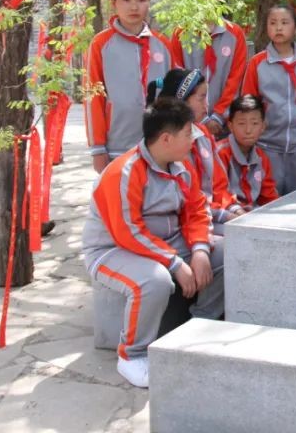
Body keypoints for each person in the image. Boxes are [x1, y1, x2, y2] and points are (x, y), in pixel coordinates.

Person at [82, 98, 225, 389]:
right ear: (166, 138)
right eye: (188, 133)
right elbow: (127, 232)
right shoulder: (123, 172)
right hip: (113, 250)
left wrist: (199, 250)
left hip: (165, 244)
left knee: (227, 253)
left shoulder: (181, 166)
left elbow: (197, 210)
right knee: (155, 281)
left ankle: (198, 325)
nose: (193, 139)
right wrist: (175, 263)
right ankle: (131, 355)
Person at [85, 0, 179, 172]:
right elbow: (93, 96)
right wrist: (97, 148)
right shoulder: (101, 44)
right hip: (117, 146)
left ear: (149, 2)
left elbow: (174, 97)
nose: (134, 7)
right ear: (114, 3)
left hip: (158, 146)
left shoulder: (162, 44)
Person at [241, 3, 296, 196]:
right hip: (266, 144)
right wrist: (250, 136)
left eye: (284, 23)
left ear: (295, 28)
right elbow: (248, 103)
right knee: (269, 196)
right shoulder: (257, 63)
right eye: (273, 23)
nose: (278, 28)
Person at [146, 68, 234, 234]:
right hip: (188, 222)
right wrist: (223, 214)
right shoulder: (170, 144)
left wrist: (233, 207)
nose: (207, 105)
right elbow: (186, 200)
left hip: (210, 212)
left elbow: (219, 184)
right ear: (182, 102)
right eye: (201, 98)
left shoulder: (204, 133)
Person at [168, 0, 249, 137]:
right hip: (190, 125)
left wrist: (219, 116)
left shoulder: (235, 35)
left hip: (227, 124)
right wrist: (201, 117)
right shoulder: (180, 34)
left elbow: (235, 80)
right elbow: (177, 79)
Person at [215, 94, 278, 218]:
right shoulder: (219, 153)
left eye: (254, 123)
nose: (248, 130)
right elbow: (218, 191)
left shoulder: (261, 157)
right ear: (230, 126)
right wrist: (238, 211)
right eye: (242, 123)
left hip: (251, 212)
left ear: (263, 127)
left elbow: (268, 194)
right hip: (227, 212)